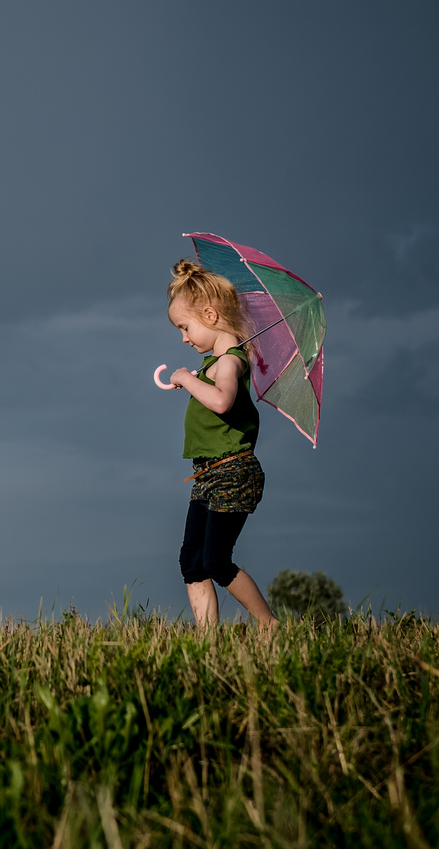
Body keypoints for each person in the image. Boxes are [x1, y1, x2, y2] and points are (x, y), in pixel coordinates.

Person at [165, 259, 277, 629]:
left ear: (210, 315)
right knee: (191, 562)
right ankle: (207, 641)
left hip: (233, 471)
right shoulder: (213, 362)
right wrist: (196, 377)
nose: (184, 337)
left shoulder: (229, 362)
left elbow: (222, 401)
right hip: (209, 472)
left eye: (185, 327)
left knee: (216, 560)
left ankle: (267, 624)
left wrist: (187, 378)